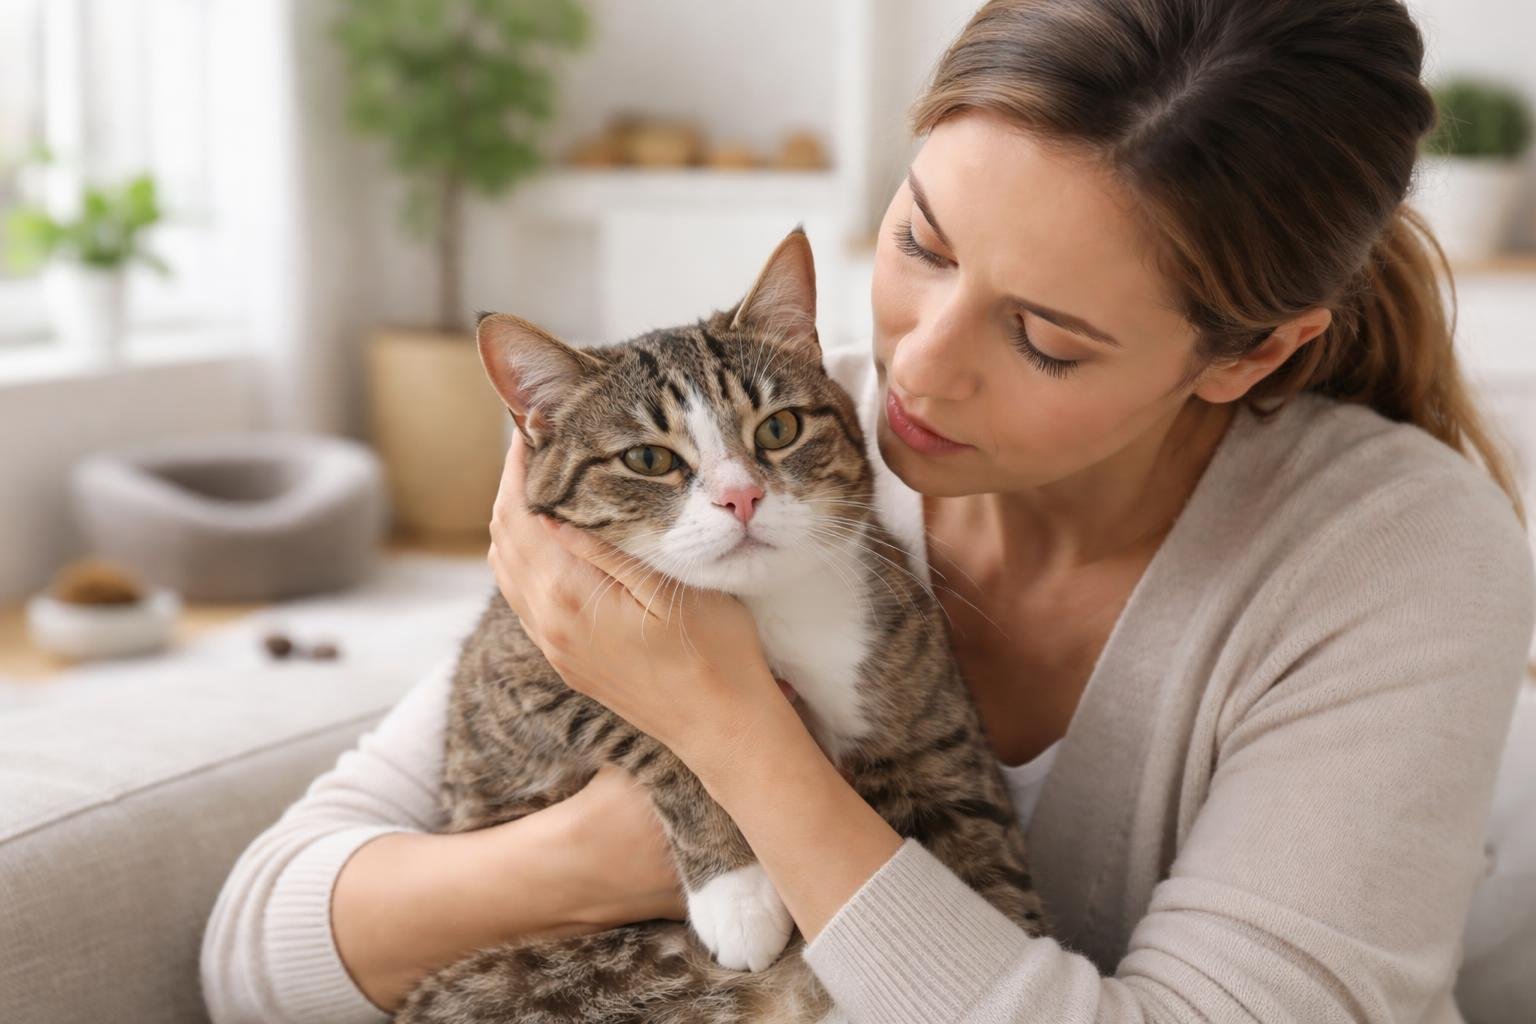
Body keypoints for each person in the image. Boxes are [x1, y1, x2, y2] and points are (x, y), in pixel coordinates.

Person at [201, 1, 1536, 1021]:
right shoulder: (779, 430)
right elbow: (256, 950)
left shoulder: (1396, 556)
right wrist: (592, 859)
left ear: (1250, 354)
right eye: (921, 244)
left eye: (1049, 338)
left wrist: (735, 738)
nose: (919, 364)